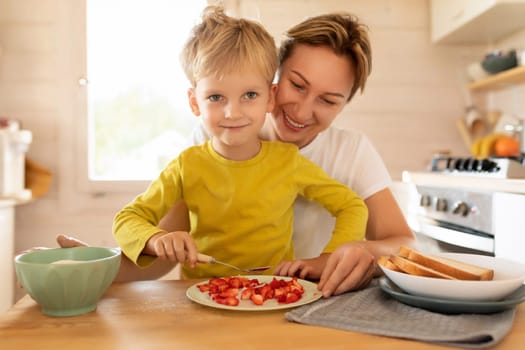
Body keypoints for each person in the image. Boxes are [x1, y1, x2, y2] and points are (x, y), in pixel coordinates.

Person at [56, 10, 415, 296]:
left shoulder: (351, 151)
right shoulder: (217, 141)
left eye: (328, 100)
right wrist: (98, 266)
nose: (303, 111)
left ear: (344, 104)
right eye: (298, 85)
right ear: (274, 82)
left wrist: (351, 252)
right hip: (215, 295)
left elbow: (402, 242)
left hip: (300, 298)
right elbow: (171, 244)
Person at [112, 6, 368, 280]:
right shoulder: (187, 166)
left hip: (274, 298)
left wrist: (329, 258)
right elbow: (127, 219)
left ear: (271, 97)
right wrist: (154, 239)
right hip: (201, 300)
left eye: (249, 95)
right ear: (194, 102)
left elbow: (352, 206)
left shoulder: (288, 162)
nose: (233, 113)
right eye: (216, 98)